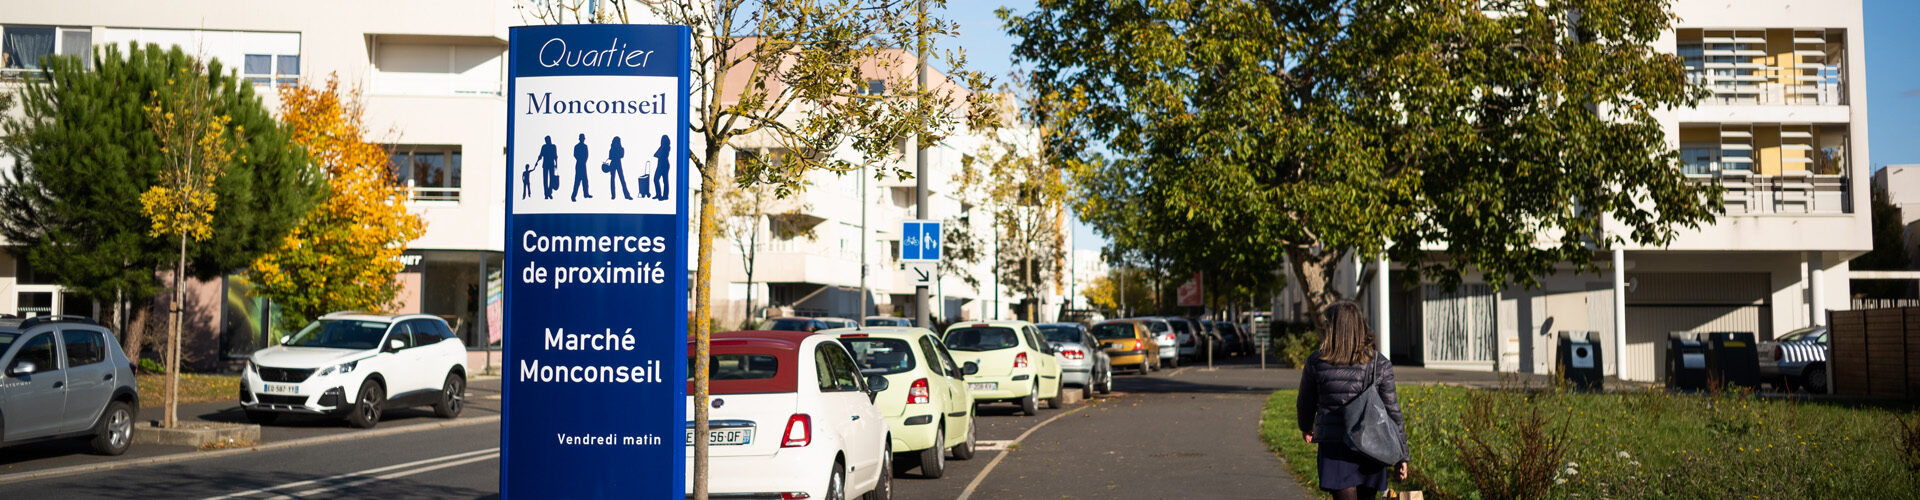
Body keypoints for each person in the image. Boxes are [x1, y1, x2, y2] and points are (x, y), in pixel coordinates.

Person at [1296, 301, 1409, 500]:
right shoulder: (1379, 364)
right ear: (1360, 326)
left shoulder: (1316, 362)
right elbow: (1393, 412)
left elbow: (1305, 402)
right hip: (1372, 445)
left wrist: (1306, 426)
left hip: (1335, 447)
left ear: (1331, 329)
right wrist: (1402, 455)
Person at [571, 133, 592, 201]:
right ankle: (573, 196)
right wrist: (581, 159)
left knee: (585, 180)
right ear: (580, 139)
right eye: (582, 138)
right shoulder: (576, 146)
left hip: (583, 164)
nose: (583, 139)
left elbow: (587, 155)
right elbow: (575, 155)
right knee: (577, 181)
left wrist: (583, 160)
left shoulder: (585, 146)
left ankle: (586, 194)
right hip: (579, 164)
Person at [651, 135, 671, 200]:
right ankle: (659, 194)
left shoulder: (667, 147)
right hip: (660, 165)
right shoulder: (662, 147)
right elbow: (655, 154)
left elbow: (660, 155)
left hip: (664, 165)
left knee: (664, 180)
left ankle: (665, 196)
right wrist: (659, 154)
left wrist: (659, 154)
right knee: (656, 179)